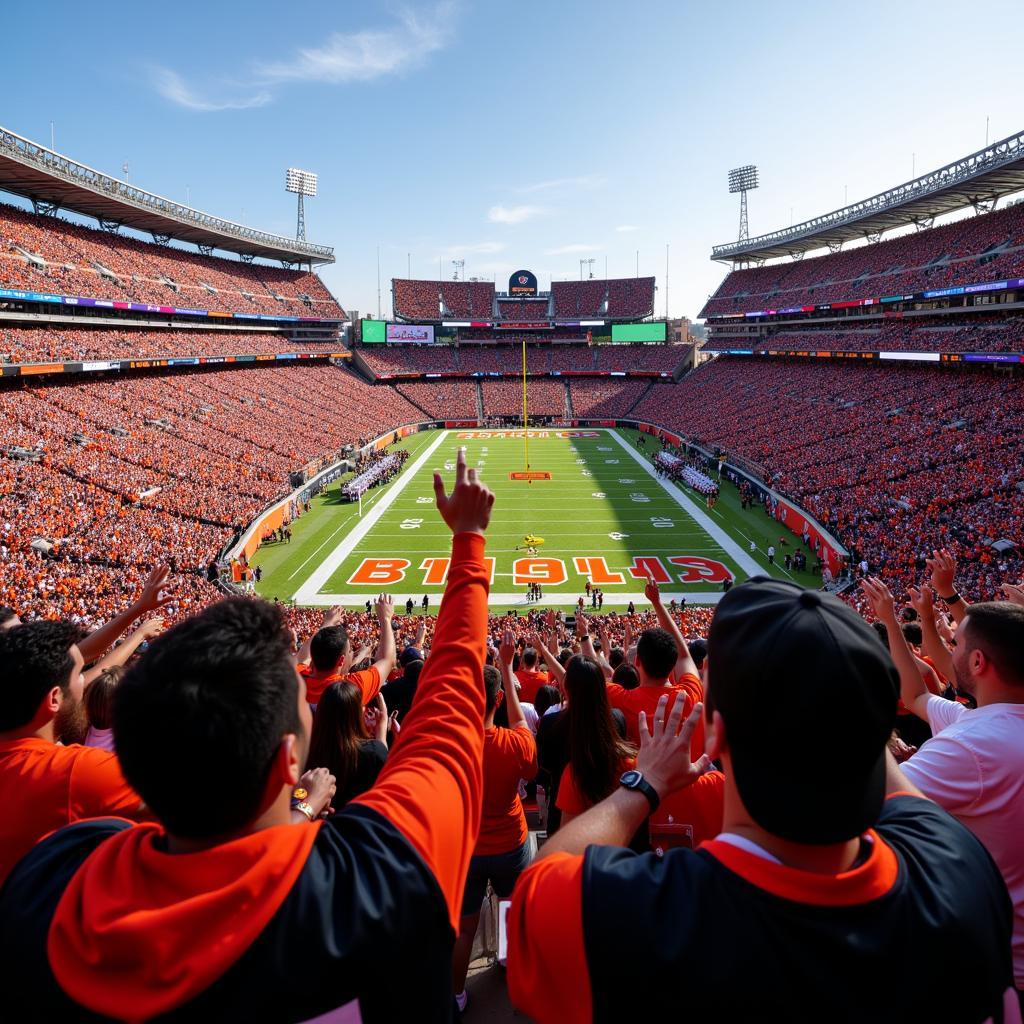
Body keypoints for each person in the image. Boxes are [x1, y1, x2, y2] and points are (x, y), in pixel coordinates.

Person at [0, 446, 497, 1022]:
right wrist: (469, 541)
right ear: (289, 762)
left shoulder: (53, 882)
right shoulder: (376, 874)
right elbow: (451, 712)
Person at [508, 578, 1019, 1023]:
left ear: (714, 734)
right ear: (874, 727)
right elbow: (893, 780)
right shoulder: (960, 867)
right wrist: (840, 672)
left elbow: (538, 890)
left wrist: (644, 785)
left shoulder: (647, 922)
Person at [862, 577, 1024, 995]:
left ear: (978, 663)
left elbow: (870, 801)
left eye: (957, 644)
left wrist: (862, 712)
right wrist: (890, 622)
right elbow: (916, 696)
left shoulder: (973, 746)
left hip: (999, 967)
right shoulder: (981, 724)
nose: (949, 649)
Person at [452, 631, 537, 1012]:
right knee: (508, 907)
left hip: (467, 846)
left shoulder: (451, 745)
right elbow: (522, 728)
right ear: (499, 699)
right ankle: (506, 960)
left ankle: (455, 994)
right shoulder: (513, 742)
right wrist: (505, 664)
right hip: (509, 841)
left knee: (465, 928)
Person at [297, 598, 395, 711]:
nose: (352, 653)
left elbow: (304, 655)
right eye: (350, 651)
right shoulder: (352, 688)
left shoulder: (296, 677)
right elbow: (387, 659)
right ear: (341, 660)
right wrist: (386, 619)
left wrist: (327, 623)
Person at [307, 682, 391, 809]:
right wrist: (381, 730)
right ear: (356, 713)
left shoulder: (307, 750)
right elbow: (384, 770)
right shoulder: (373, 752)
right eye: (362, 706)